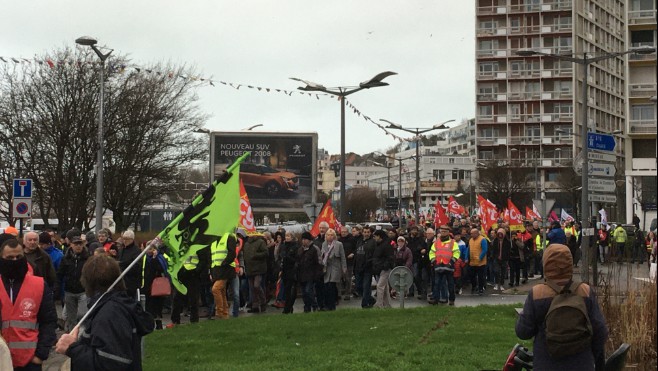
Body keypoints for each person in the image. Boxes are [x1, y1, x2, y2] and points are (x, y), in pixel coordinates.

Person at [515, 244, 608, 370]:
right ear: (569, 263)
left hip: (546, 364)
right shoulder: (585, 291)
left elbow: (523, 332)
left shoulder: (537, 293)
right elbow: (600, 331)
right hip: (581, 364)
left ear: (546, 264)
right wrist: (591, 357)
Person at [55, 254, 155, 370]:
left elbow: (111, 363)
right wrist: (80, 341)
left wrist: (72, 347)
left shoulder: (111, 313)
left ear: (87, 281)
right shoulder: (108, 305)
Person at [0, 238, 58, 370]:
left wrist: (40, 355)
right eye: (10, 257)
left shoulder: (39, 285)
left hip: (29, 361)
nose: (15, 261)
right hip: (1, 359)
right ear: (2, 258)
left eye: (18, 257)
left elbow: (49, 321)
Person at [56, 235, 90, 332]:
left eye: (80, 244)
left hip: (83, 290)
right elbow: (60, 274)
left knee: (82, 315)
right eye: (76, 244)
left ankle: (83, 334)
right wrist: (57, 288)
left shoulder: (87, 258)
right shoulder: (65, 258)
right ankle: (71, 337)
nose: (78, 246)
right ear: (71, 245)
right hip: (69, 291)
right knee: (71, 317)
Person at [429, 225, 460, 305]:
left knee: (450, 285)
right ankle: (435, 299)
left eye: (445, 231)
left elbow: (457, 252)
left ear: (448, 232)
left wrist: (452, 262)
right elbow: (431, 252)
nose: (443, 233)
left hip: (449, 266)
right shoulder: (436, 242)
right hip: (438, 266)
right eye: (442, 231)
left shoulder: (453, 242)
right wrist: (433, 261)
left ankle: (452, 300)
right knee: (437, 284)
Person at [210, 232, 237, 320]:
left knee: (216, 289)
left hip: (225, 269)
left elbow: (232, 253)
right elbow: (212, 257)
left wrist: (224, 263)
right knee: (221, 291)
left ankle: (219, 313)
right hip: (217, 270)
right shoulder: (213, 239)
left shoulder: (229, 236)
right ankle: (225, 314)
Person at [321, 229, 347, 311]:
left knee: (332, 286)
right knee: (326, 286)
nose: (330, 236)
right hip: (326, 267)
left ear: (334, 236)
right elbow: (322, 256)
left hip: (335, 267)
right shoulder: (324, 244)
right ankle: (327, 304)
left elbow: (343, 257)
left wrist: (344, 268)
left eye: (332, 235)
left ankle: (332, 305)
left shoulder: (339, 244)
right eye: (328, 235)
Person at [243, 232, 268, 313]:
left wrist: (255, 255)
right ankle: (255, 306)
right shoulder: (246, 244)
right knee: (252, 288)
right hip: (249, 269)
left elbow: (266, 253)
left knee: (256, 286)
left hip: (259, 268)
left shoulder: (260, 242)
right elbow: (245, 256)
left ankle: (263, 302)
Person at [297, 232, 320, 313]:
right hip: (302, 274)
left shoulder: (314, 249)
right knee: (304, 293)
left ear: (309, 240)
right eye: (302, 239)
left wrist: (316, 274)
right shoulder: (300, 250)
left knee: (308, 290)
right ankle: (307, 307)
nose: (303, 241)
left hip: (310, 274)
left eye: (305, 239)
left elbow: (317, 263)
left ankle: (314, 305)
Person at [371, 229, 394, 308]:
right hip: (381, 268)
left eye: (375, 236)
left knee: (380, 286)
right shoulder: (382, 244)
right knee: (385, 288)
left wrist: (384, 266)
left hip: (384, 269)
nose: (374, 238)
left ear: (379, 236)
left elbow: (390, 257)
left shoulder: (385, 245)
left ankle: (379, 304)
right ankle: (388, 305)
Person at [117, 230, 142, 300]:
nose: (124, 241)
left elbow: (136, 265)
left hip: (131, 282)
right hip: (121, 281)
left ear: (132, 239)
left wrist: (121, 263)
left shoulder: (136, 250)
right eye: (123, 239)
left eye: (127, 239)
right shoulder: (121, 250)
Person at [280, 231, 299, 314]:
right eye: (286, 236)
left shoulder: (295, 246)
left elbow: (296, 259)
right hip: (285, 270)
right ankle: (288, 306)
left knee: (290, 288)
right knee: (286, 290)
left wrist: (287, 257)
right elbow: (280, 257)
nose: (287, 237)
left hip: (292, 270)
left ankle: (288, 307)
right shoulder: (283, 246)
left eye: (288, 236)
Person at [468, 228, 488, 295]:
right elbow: (468, 249)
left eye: (472, 233)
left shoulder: (482, 239)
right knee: (472, 276)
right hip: (472, 262)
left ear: (476, 233)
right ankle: (474, 286)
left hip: (480, 263)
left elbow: (485, 250)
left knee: (480, 277)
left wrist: (480, 258)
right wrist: (466, 257)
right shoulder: (470, 240)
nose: (471, 235)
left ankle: (480, 289)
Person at [339, 226, 356, 301]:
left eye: (344, 232)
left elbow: (356, 248)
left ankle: (347, 293)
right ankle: (339, 294)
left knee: (348, 279)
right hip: (340, 262)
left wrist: (353, 253)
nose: (343, 233)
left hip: (349, 262)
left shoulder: (352, 239)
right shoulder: (339, 240)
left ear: (347, 232)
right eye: (342, 232)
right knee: (339, 279)